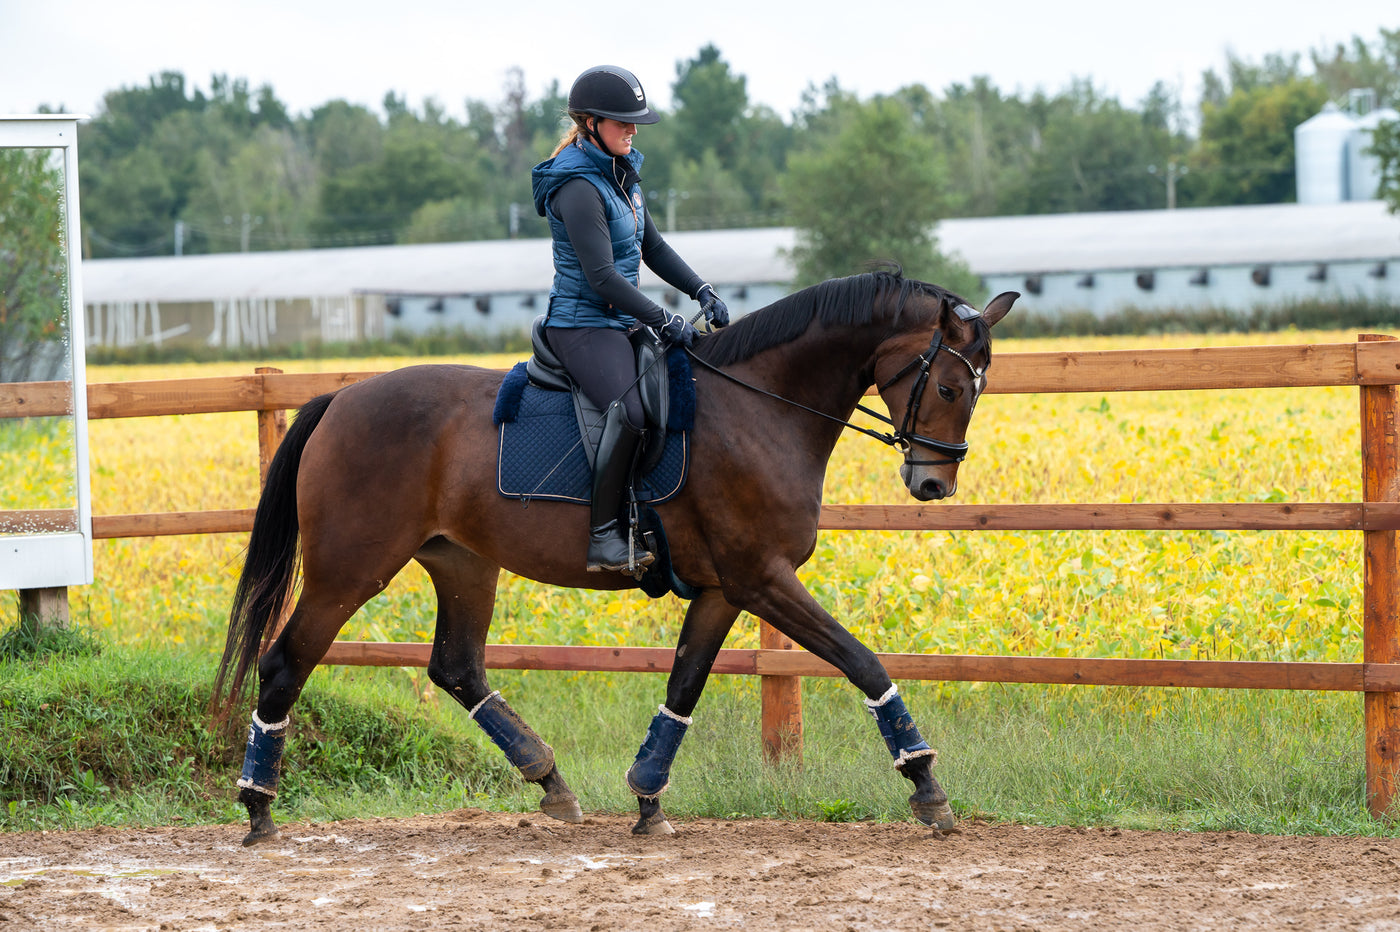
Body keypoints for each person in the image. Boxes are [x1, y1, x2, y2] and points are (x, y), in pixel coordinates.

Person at [531, 65, 730, 574]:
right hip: (581, 324)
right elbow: (601, 277)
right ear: (591, 122)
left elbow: (653, 247)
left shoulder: (622, 175)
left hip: (618, 322)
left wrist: (701, 289)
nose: (633, 130)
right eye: (623, 122)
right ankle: (604, 537)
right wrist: (665, 319)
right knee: (631, 411)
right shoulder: (576, 185)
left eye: (636, 122)